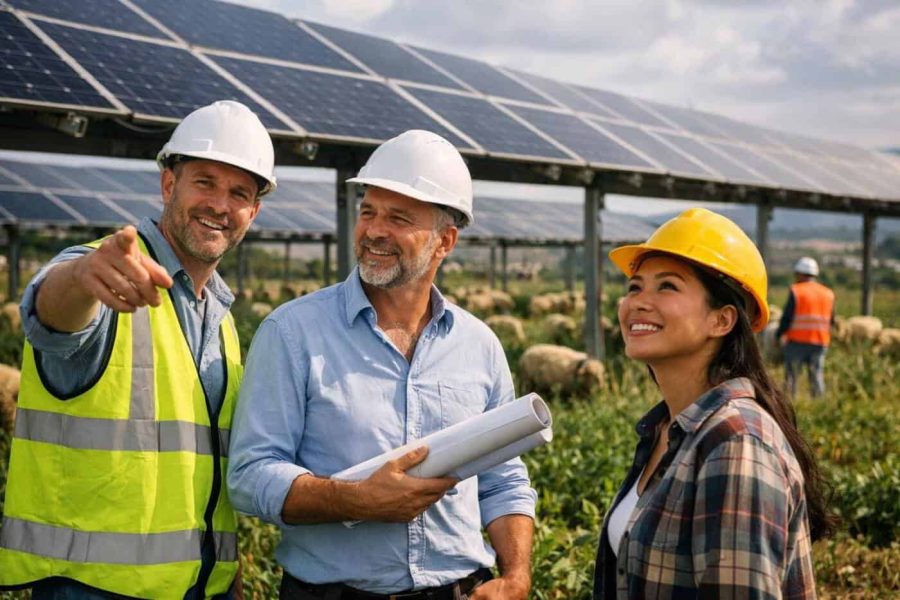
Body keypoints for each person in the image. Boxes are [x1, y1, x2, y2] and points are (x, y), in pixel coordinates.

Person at [227, 130, 536, 600]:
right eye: (368, 211)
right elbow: (251, 476)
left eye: (398, 218)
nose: (374, 230)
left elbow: (502, 477)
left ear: (444, 241)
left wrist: (515, 576)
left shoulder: (480, 346)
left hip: (459, 590)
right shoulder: (293, 332)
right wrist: (355, 500)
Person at [0, 100, 276, 599]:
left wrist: (226, 575)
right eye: (205, 182)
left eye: (239, 193)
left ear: (252, 213)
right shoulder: (108, 269)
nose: (220, 204)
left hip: (199, 588)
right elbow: (51, 317)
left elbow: (201, 469)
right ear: (169, 184)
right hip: (94, 589)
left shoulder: (222, 319)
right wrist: (81, 278)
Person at [592, 208, 835, 599]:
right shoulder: (667, 431)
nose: (638, 302)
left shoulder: (735, 442)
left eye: (667, 286)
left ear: (721, 321)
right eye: (635, 287)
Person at [776, 257, 835, 397]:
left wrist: (778, 335)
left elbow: (787, 317)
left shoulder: (797, 290)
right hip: (820, 342)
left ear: (800, 273)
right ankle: (820, 408)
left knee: (792, 378)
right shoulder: (828, 293)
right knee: (816, 377)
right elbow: (831, 320)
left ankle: (791, 407)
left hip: (797, 341)